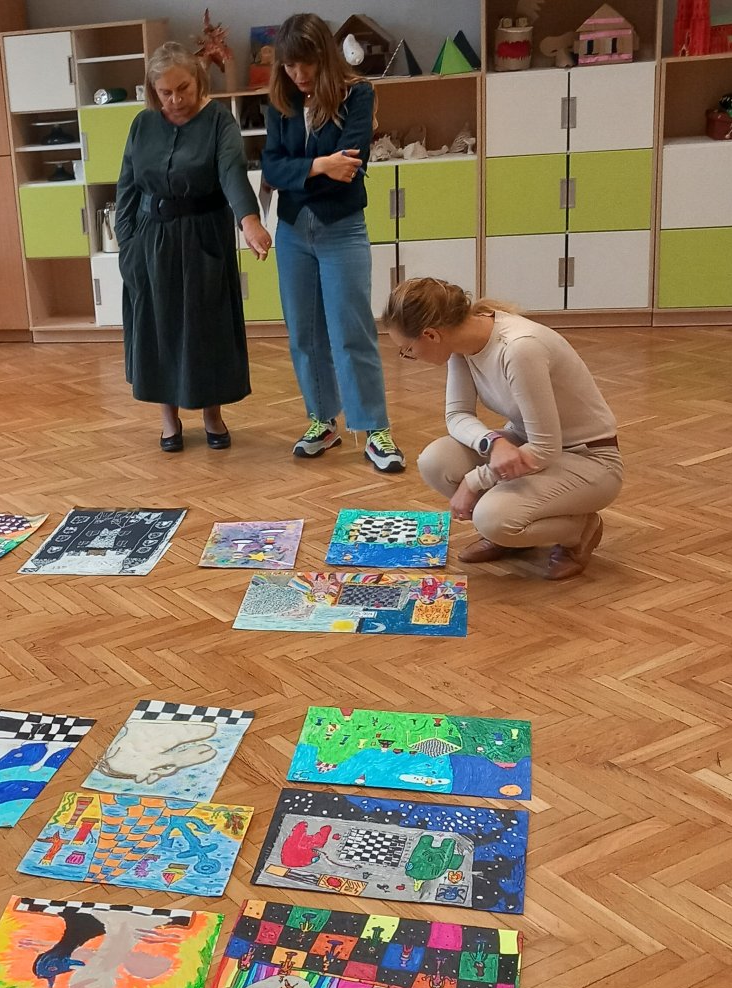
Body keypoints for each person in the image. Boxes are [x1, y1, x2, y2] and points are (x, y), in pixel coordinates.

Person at [381, 278, 623, 580]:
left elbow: (545, 448)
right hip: (531, 445)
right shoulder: (460, 343)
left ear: (431, 334)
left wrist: (475, 480)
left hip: (588, 460)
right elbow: (457, 415)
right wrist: (492, 442)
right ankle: (515, 534)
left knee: (492, 518)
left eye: (407, 349)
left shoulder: (519, 349)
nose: (410, 358)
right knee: (436, 461)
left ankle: (579, 530)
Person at [261, 13, 405, 473]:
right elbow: (270, 167)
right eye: (289, 67)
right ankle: (322, 422)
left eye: (305, 64)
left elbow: (352, 164)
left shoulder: (357, 94)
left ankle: (374, 427)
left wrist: (301, 169)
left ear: (324, 57)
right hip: (291, 233)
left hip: (341, 228)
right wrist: (320, 166)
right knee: (304, 332)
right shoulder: (279, 104)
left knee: (351, 330)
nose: (298, 75)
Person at [116, 42, 272, 453]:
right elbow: (127, 187)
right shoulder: (141, 125)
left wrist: (249, 221)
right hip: (151, 240)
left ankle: (212, 415)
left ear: (198, 80)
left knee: (206, 329)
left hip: (204, 236)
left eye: (182, 88)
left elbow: (231, 171)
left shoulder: (219, 121)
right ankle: (168, 421)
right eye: (165, 92)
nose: (175, 100)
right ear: (153, 91)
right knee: (158, 327)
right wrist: (126, 245)